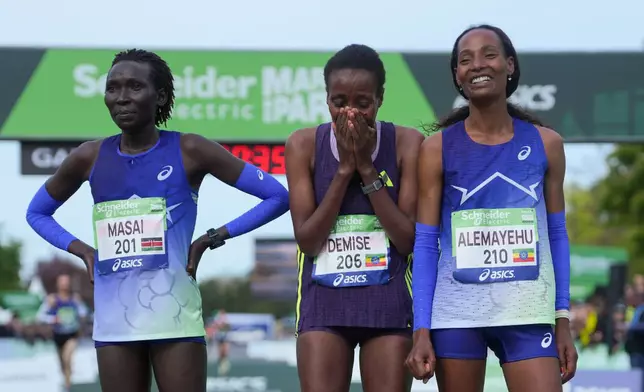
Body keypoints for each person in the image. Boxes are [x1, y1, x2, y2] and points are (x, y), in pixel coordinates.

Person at [25, 48, 290, 392]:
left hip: (174, 316)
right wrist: (83, 251)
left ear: (160, 95)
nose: (121, 97)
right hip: (114, 321)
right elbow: (36, 212)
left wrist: (211, 238)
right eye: (112, 88)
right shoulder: (88, 157)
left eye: (135, 87)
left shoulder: (191, 149)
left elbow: (278, 197)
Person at [405, 25, 579, 392]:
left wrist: (562, 319)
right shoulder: (436, 149)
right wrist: (422, 328)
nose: (477, 65)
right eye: (465, 60)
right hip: (456, 317)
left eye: (489, 54)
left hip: (528, 315)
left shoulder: (547, 144)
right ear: (457, 75)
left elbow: (557, 235)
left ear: (509, 65)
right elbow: (425, 243)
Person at [285, 44, 424, 392]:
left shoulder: (407, 143)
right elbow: (308, 240)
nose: (350, 112)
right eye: (339, 101)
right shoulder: (303, 144)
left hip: (388, 306)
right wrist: (345, 168)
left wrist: (365, 166)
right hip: (324, 306)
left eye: (363, 103)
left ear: (380, 98)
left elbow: (408, 240)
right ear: (327, 99)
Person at [37, 274, 88, 392]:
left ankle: (68, 386)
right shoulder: (52, 299)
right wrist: (53, 319)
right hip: (58, 335)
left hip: (72, 334)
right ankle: (66, 382)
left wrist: (79, 308)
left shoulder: (74, 299)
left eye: (67, 281)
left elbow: (84, 313)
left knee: (67, 358)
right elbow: (40, 316)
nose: (65, 284)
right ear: (58, 284)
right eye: (62, 281)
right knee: (62, 364)